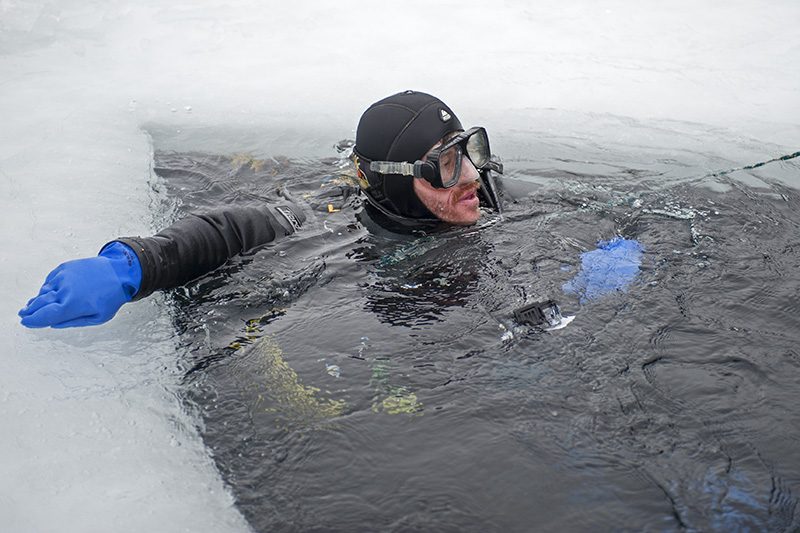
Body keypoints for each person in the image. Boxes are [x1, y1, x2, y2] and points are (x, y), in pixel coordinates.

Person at [18, 90, 506, 329]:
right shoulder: (333, 225)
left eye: (469, 150)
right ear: (393, 180)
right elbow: (229, 229)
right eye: (442, 163)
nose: (469, 175)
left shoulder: (486, 191)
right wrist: (134, 265)